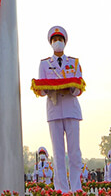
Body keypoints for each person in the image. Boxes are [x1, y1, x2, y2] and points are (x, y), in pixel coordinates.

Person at [36, 25, 85, 192]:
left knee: (74, 153)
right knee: (58, 154)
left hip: (71, 109)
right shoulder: (44, 64)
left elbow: (79, 88)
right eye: (55, 40)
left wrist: (70, 87)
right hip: (54, 109)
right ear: (51, 43)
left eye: (60, 40)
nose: (58, 42)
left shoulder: (74, 62)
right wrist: (50, 88)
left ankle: (76, 188)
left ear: (65, 42)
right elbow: (41, 90)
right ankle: (62, 190)